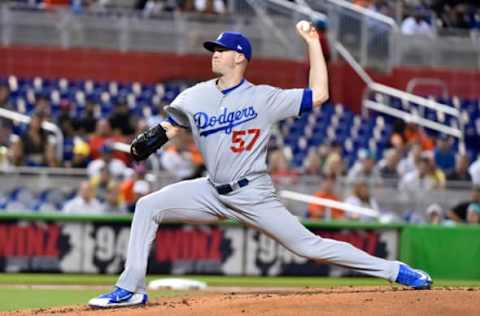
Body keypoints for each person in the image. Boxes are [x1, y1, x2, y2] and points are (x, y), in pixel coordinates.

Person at [88, 25, 431, 308]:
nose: (215, 53)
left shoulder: (264, 97)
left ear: (240, 57)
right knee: (148, 206)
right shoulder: (192, 97)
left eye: (221, 49)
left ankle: (395, 270)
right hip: (210, 190)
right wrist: (156, 136)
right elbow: (172, 125)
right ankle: (131, 287)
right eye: (214, 49)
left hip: (253, 192)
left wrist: (313, 43)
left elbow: (320, 93)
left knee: (309, 246)